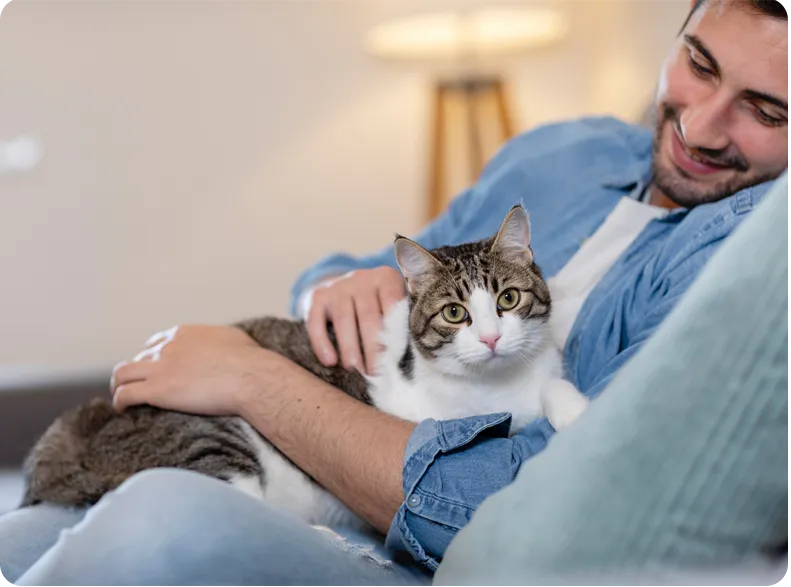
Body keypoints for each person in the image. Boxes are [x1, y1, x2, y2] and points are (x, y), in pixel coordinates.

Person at [1, 0, 786, 584]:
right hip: (329, 432)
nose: (702, 126)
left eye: (764, 110)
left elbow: (501, 509)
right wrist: (336, 288)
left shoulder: (749, 258)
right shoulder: (563, 150)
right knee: (22, 537)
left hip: (403, 542)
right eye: (699, 63)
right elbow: (362, 268)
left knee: (155, 519)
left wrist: (251, 375)